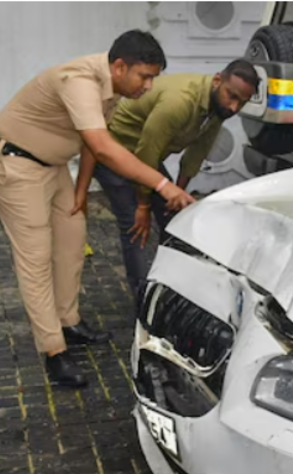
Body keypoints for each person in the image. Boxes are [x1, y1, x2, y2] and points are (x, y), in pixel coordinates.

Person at [0, 30, 195, 389]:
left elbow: (91, 143)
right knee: (36, 257)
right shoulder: (79, 82)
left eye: (153, 77)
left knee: (72, 243)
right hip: (15, 165)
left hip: (54, 166)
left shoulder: (111, 86)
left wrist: (80, 191)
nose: (148, 86)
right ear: (119, 66)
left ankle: (68, 321)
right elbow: (105, 147)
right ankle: (53, 351)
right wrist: (163, 185)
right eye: (144, 76)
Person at [79, 59, 257, 304]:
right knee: (134, 224)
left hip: (145, 154)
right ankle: (144, 300)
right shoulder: (180, 102)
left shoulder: (219, 106)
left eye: (242, 102)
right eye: (232, 96)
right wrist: (144, 205)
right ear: (217, 81)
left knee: (176, 219)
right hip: (115, 149)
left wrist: (177, 194)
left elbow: (197, 151)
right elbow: (147, 150)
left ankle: (174, 285)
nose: (234, 106)